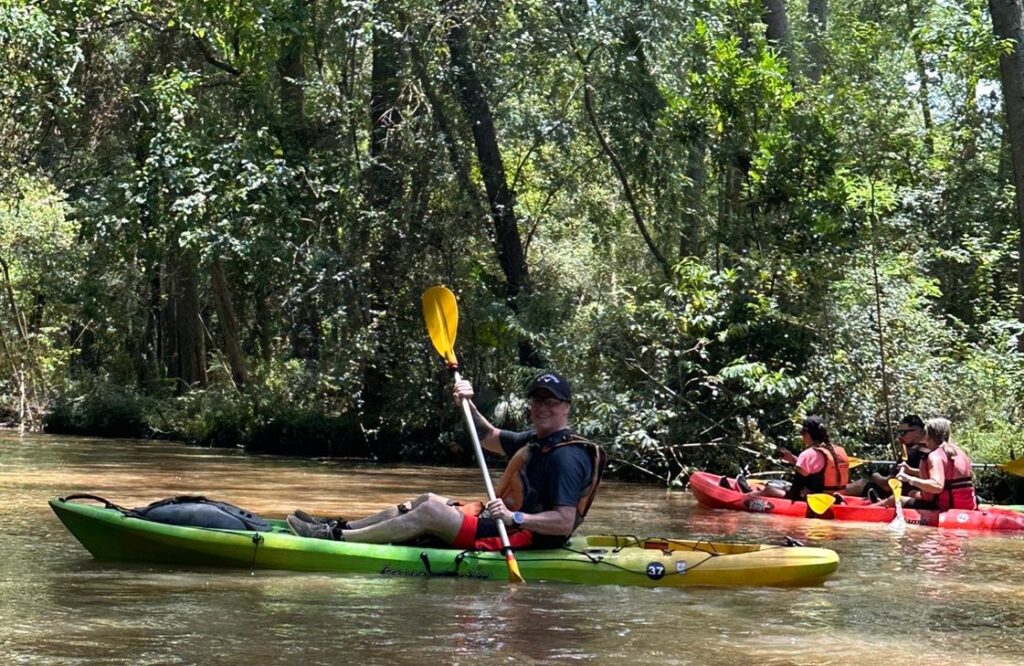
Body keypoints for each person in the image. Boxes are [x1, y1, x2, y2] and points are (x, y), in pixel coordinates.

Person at [286, 372, 606, 550]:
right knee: (426, 499)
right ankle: (339, 527)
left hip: (524, 536)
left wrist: (514, 517)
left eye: (551, 401)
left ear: (566, 407)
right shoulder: (537, 441)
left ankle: (337, 542)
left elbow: (563, 522)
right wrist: (466, 403)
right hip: (504, 522)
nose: (542, 407)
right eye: (537, 399)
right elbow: (487, 436)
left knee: (430, 512)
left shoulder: (566, 458)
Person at [726, 416, 849, 501]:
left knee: (770, 489)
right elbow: (820, 468)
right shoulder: (838, 451)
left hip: (814, 501)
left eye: (802, 434)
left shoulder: (808, 454)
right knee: (783, 485)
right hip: (834, 498)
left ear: (807, 434)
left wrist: (775, 491)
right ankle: (749, 491)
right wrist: (793, 459)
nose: (802, 437)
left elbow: (794, 492)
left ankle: (744, 496)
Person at [875, 417, 976, 511]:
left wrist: (909, 479)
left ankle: (868, 511)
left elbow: (937, 486)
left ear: (928, 436)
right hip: (968, 505)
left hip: (945, 507)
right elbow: (945, 476)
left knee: (894, 499)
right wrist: (910, 470)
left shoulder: (935, 455)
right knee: (912, 493)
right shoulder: (959, 452)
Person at [845, 415, 928, 500]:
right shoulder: (931, 450)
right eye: (899, 433)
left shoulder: (910, 454)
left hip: (898, 495)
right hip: (914, 494)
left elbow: (887, 485)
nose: (899, 437)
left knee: (862, 483)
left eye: (903, 433)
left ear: (918, 432)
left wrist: (873, 474)